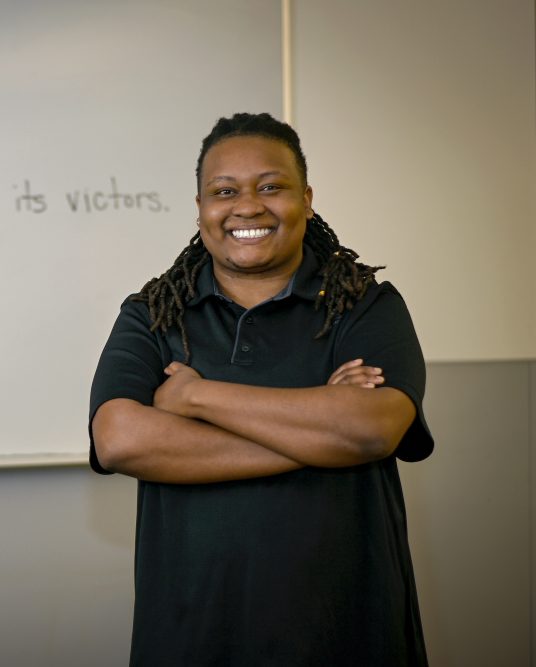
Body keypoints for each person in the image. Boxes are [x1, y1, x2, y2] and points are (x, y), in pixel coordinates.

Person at [89, 112, 433, 666]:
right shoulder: (153, 316)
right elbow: (121, 440)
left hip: (347, 635)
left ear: (307, 198)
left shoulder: (366, 305)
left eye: (271, 187)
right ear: (201, 207)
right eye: (224, 191)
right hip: (191, 637)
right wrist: (320, 432)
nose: (247, 206)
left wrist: (197, 399)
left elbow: (373, 428)